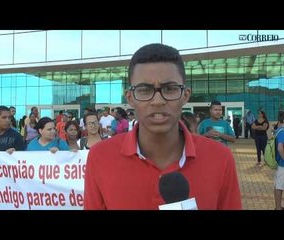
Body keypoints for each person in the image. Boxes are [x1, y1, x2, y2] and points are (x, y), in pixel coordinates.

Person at [84, 43, 242, 210]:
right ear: (130, 98)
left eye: (170, 89)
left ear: (185, 95)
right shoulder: (100, 157)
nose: (158, 101)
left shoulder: (220, 158)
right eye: (144, 90)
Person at [274, 110, 284, 210]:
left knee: (278, 184)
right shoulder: (283, 131)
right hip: (282, 164)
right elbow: (280, 148)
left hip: (279, 163)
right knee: (279, 186)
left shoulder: (278, 130)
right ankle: (277, 207)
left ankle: (278, 206)